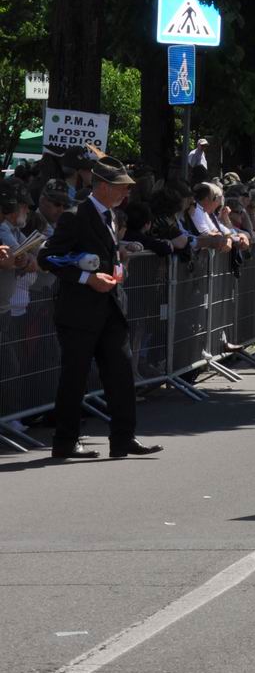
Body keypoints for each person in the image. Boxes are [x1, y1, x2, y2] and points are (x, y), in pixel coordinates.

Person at [40, 155, 162, 461]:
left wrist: (116, 266)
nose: (126, 192)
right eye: (121, 186)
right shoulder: (75, 216)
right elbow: (49, 257)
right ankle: (65, 441)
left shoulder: (111, 216)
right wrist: (87, 278)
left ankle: (123, 438)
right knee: (75, 378)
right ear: (103, 186)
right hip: (79, 312)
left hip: (109, 309)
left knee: (121, 374)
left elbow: (104, 254)